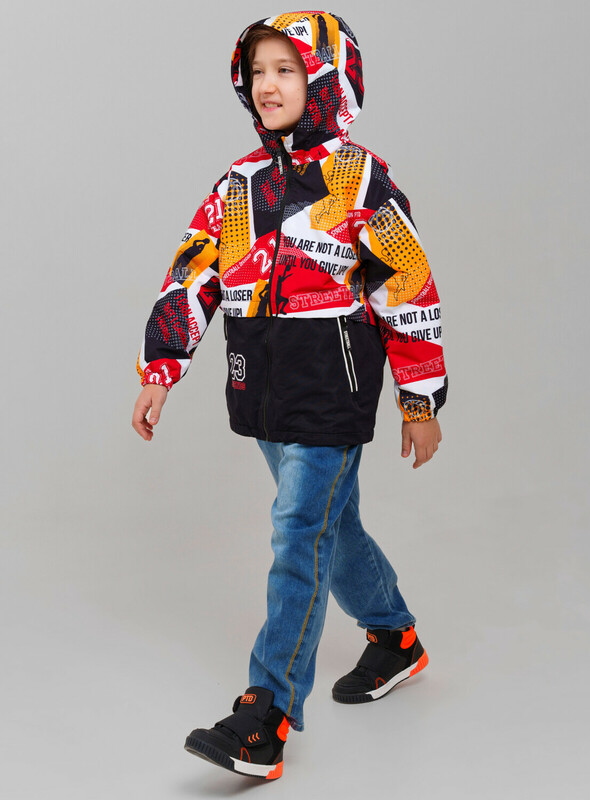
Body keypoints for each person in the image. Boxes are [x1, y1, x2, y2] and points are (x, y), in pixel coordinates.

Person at [132, 11, 447, 781]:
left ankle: (265, 714)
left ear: (327, 81)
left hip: (333, 388)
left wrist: (419, 400)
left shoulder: (360, 181)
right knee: (332, 528)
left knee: (298, 535)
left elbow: (406, 287)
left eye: (287, 69)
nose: (267, 85)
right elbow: (195, 272)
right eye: (257, 71)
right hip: (264, 387)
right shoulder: (239, 184)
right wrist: (159, 370)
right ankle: (395, 637)